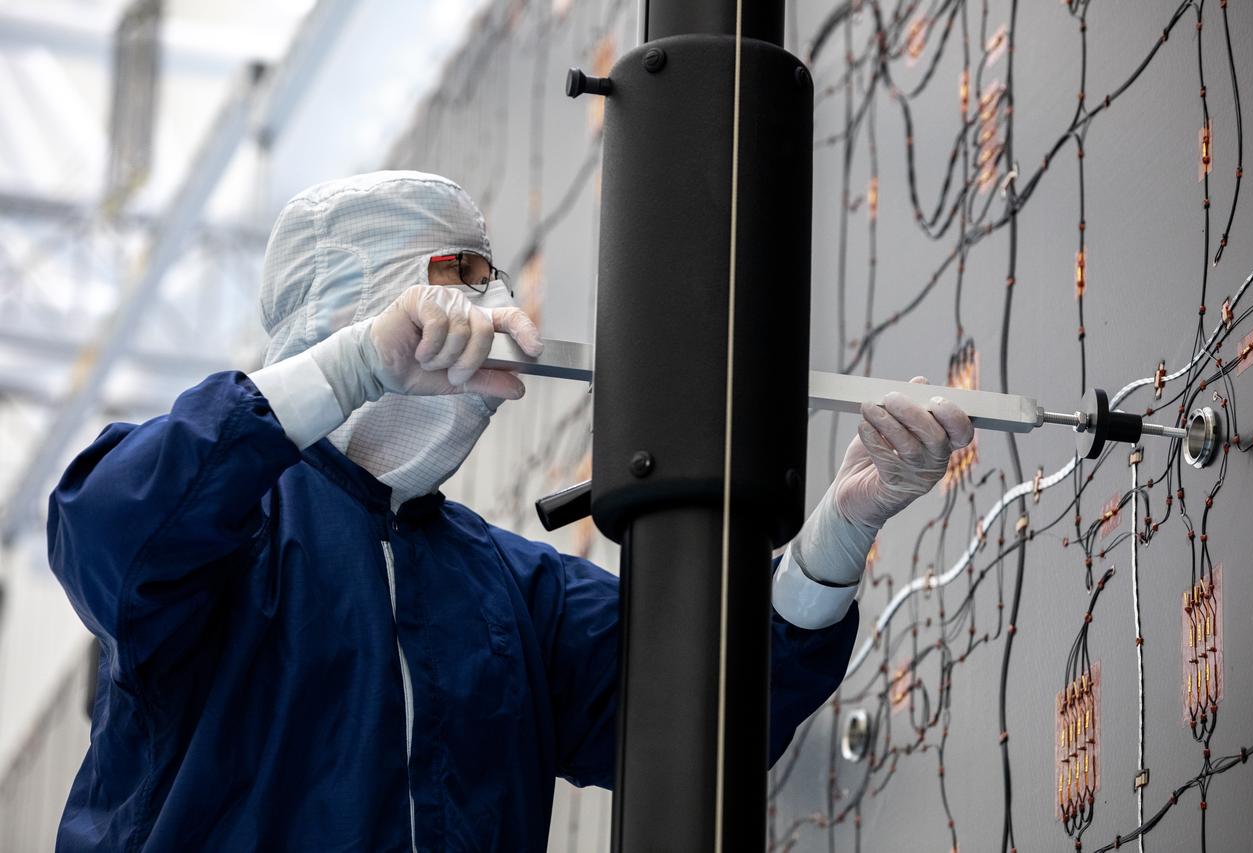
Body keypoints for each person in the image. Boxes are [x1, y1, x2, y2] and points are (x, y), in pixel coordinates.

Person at [47, 171, 973, 851]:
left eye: (491, 291)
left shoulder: (505, 591)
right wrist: (354, 366)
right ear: (346, 312)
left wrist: (843, 527)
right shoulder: (231, 530)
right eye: (449, 292)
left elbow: (711, 699)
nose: (492, 321)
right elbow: (110, 527)